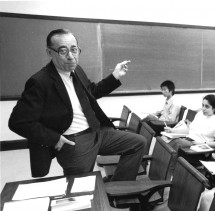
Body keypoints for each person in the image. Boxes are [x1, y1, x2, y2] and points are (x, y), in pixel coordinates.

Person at [8, 29, 146, 181]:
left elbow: (91, 92)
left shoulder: (76, 70)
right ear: (49, 52)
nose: (71, 56)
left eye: (74, 50)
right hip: (74, 142)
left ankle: (119, 188)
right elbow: (18, 122)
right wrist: (54, 139)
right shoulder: (40, 82)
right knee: (80, 191)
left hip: (96, 131)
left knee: (138, 143)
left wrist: (115, 76)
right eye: (63, 51)